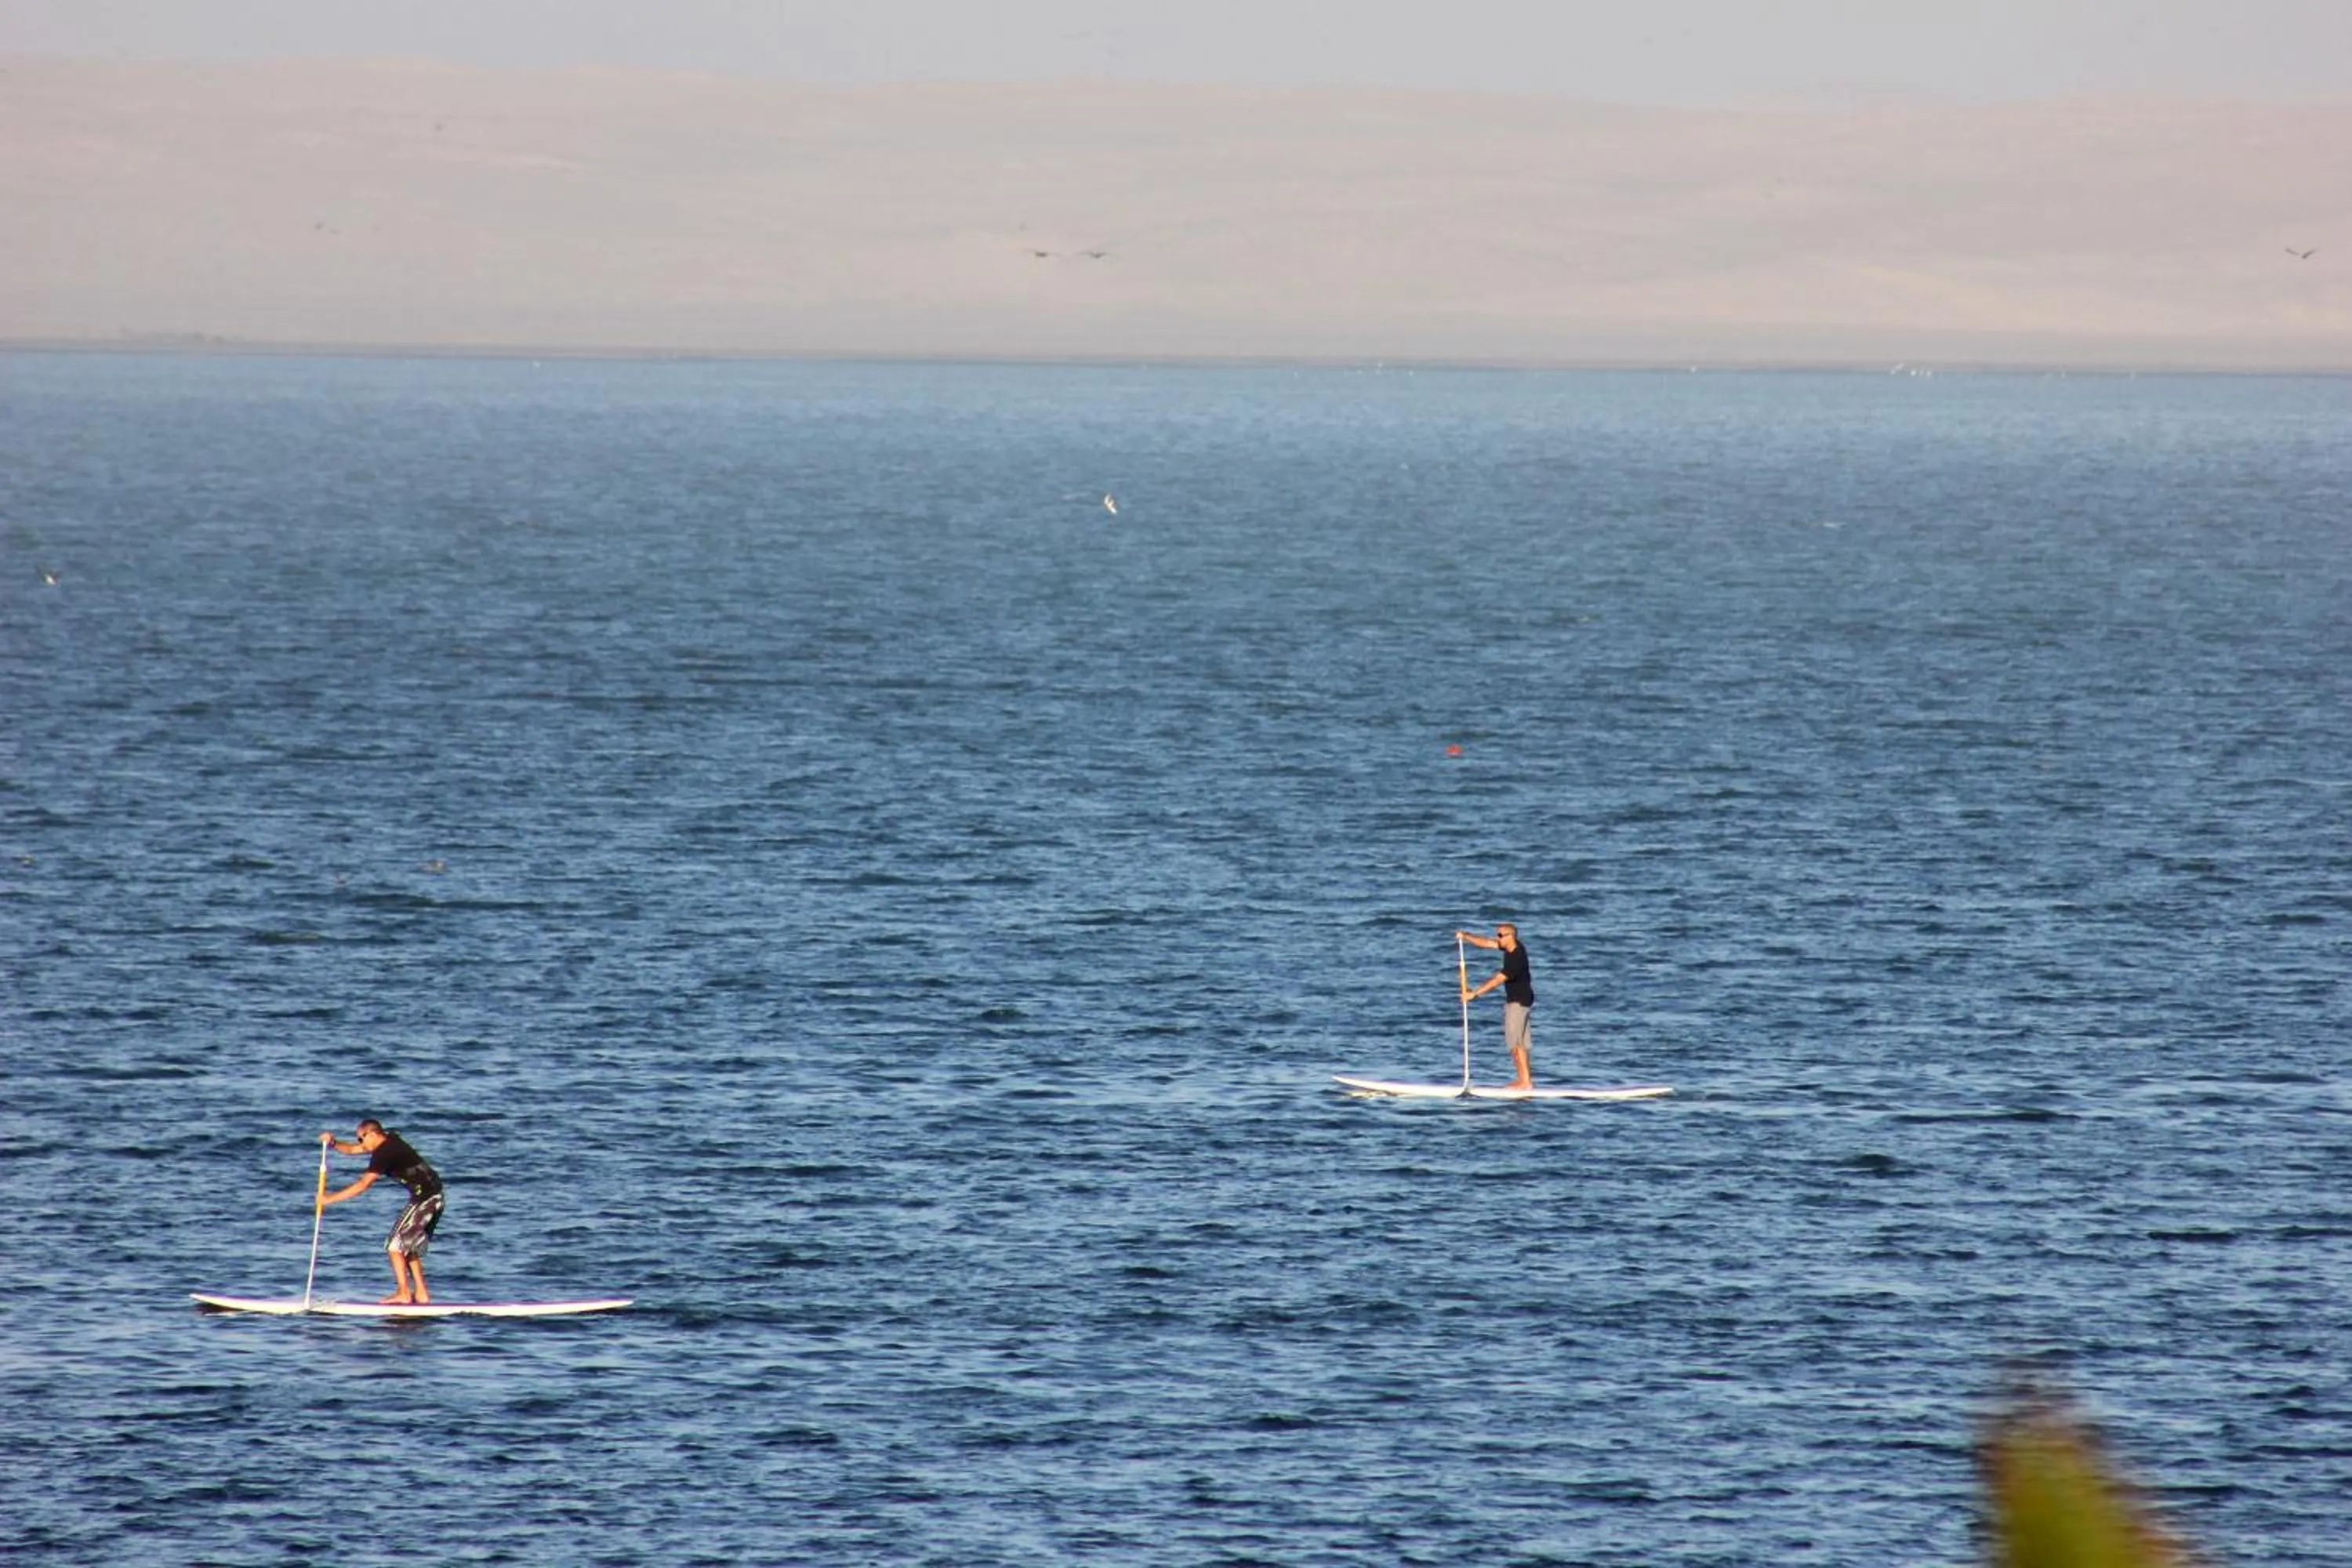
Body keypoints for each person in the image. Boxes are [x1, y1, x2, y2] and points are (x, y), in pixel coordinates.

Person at [320, 1120, 445, 1304]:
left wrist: (329, 1199)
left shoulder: (385, 1152)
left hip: (426, 1200)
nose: (361, 1144)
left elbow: (363, 1185)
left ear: (372, 1134)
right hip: (434, 1197)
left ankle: (403, 1293)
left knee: (394, 1245)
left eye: (361, 1139)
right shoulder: (389, 1141)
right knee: (408, 1247)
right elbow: (352, 1150)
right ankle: (422, 1294)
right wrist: (333, 1143)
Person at [1458, 923, 1536, 1089]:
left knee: (1516, 1044)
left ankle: (1525, 1082)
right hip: (1521, 1000)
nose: (1497, 938)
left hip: (1518, 1002)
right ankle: (1525, 1080)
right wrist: (1466, 937)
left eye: (1500, 935)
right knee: (1519, 1044)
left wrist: (1474, 994)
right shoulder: (1511, 947)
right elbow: (1487, 943)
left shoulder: (1516, 958)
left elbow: (1497, 981)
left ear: (1511, 937)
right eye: (1497, 935)